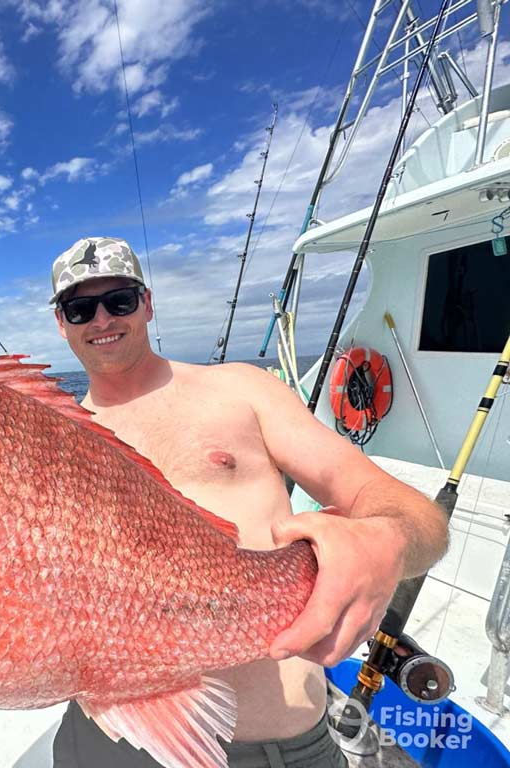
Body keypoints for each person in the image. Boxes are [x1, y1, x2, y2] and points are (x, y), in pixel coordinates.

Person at [46, 237, 449, 768]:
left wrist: (387, 541)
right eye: (80, 308)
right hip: (105, 740)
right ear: (62, 323)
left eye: (118, 300)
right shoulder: (48, 438)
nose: (101, 319)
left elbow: (416, 517)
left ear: (146, 303)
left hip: (265, 746)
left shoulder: (241, 389)